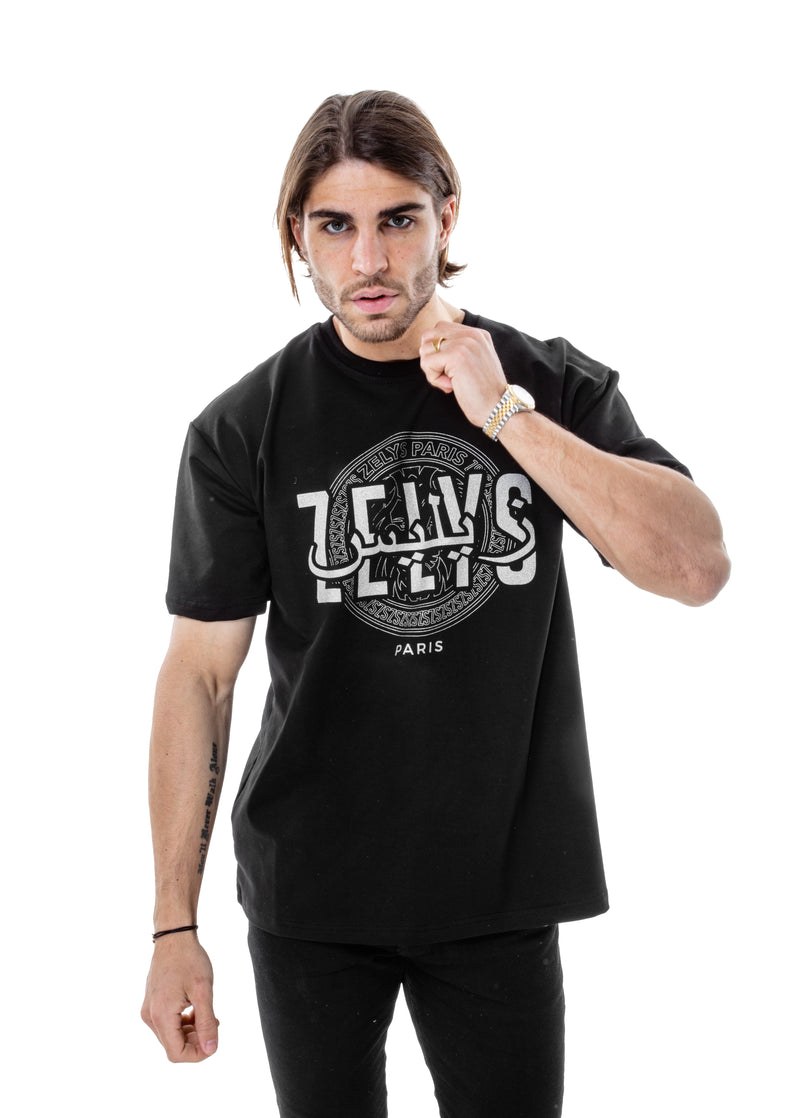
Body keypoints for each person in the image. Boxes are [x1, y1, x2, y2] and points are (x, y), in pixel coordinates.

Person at [141, 90, 730, 1117]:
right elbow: (200, 676)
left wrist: (503, 413)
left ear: (445, 217)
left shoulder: (544, 382)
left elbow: (694, 567)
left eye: (397, 219)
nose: (368, 259)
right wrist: (172, 926)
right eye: (335, 225)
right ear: (297, 234)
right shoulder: (241, 429)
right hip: (310, 890)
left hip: (497, 885)